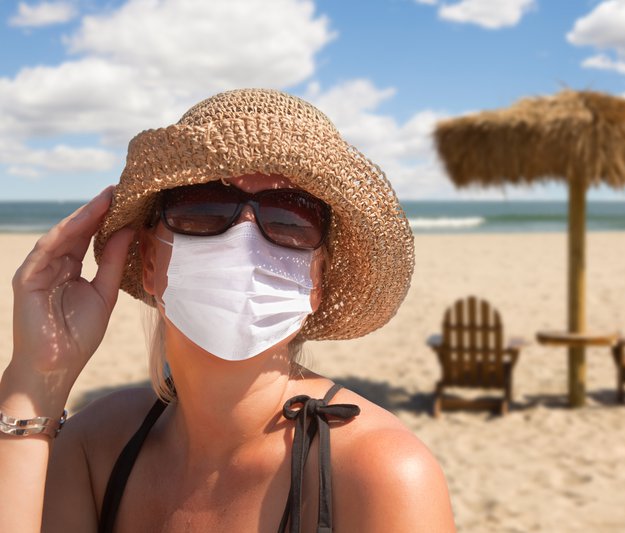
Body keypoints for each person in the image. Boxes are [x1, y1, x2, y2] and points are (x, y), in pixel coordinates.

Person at [0, 89, 456, 532]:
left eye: (290, 217)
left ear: (317, 281)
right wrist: (35, 380)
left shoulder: (380, 473)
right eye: (203, 206)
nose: (244, 238)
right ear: (152, 261)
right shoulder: (96, 444)